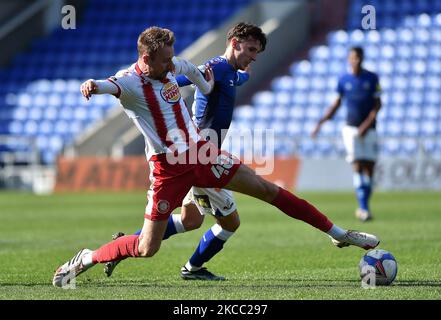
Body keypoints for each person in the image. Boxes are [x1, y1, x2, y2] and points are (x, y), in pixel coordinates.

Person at [53, 27, 379, 288]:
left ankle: (339, 234)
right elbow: (105, 85)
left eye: (172, 58)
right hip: (168, 168)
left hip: (202, 153)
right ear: (147, 57)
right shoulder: (129, 83)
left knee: (266, 190)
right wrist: (90, 86)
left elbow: (194, 72)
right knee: (146, 248)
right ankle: (87, 258)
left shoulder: (175, 64)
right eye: (165, 60)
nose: (172, 65)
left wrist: (206, 87)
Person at [103, 22, 266, 281]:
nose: (254, 56)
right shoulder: (217, 67)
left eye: (257, 53)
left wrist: (246, 70)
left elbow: (238, 77)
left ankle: (123, 247)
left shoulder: (231, 72)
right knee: (231, 223)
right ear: (234, 43)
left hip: (198, 156)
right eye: (251, 50)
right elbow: (187, 76)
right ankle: (192, 268)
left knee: (191, 220)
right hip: (199, 157)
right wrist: (168, 82)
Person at [311, 47, 382, 222]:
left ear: (362, 58)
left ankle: (365, 204)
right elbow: (336, 104)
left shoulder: (372, 78)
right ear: (348, 59)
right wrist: (321, 122)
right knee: (357, 164)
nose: (354, 60)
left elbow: (377, 105)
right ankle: (364, 208)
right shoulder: (343, 80)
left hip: (370, 129)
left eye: (357, 57)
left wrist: (366, 125)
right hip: (350, 129)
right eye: (351, 58)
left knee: (370, 169)